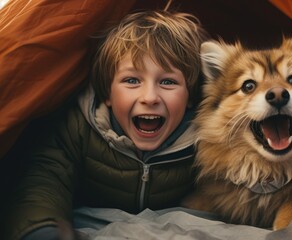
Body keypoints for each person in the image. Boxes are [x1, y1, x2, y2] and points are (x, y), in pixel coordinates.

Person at [3, 7, 208, 240]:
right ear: (107, 93)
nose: (150, 97)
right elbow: (45, 179)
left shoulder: (206, 140)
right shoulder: (77, 128)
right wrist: (41, 228)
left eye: (168, 82)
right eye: (132, 80)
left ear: (190, 96)